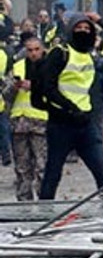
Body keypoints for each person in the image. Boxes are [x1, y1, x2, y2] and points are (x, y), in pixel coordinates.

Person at [34, 12, 103, 197]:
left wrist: (101, 20)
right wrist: (70, 108)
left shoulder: (90, 55)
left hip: (86, 123)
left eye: (87, 29)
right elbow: (48, 87)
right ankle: (44, 213)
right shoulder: (60, 53)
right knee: (53, 173)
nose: (83, 31)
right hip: (62, 123)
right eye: (79, 28)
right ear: (71, 30)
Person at [7, 33, 47, 200]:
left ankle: (44, 199)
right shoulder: (18, 67)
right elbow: (6, 95)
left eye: (37, 49)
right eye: (30, 50)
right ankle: (23, 201)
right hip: (20, 123)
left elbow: (56, 92)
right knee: (22, 167)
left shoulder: (49, 67)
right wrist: (14, 87)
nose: (33, 53)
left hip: (41, 122)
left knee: (41, 166)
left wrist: (35, 87)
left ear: (42, 50)